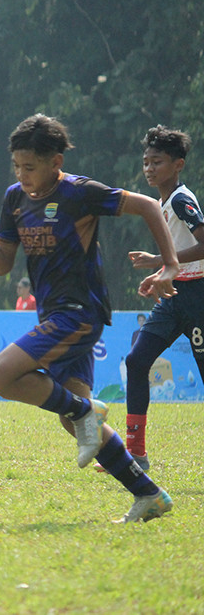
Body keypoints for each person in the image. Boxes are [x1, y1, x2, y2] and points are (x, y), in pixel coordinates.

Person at [0, 113, 178, 523]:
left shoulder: (79, 192)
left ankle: (85, 410)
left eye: (31, 167)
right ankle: (149, 494)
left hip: (80, 312)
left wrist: (168, 264)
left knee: (0, 375)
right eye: (17, 166)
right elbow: (3, 265)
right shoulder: (14, 199)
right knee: (71, 418)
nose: (22, 175)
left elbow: (148, 205)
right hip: (53, 314)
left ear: (55, 162)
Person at [121, 125, 204, 472]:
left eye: (158, 161)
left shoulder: (182, 200)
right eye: (146, 162)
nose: (150, 168)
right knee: (137, 362)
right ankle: (135, 453)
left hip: (198, 298)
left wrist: (159, 263)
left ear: (178, 165)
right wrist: (159, 276)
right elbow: (183, 253)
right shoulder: (162, 202)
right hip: (174, 297)